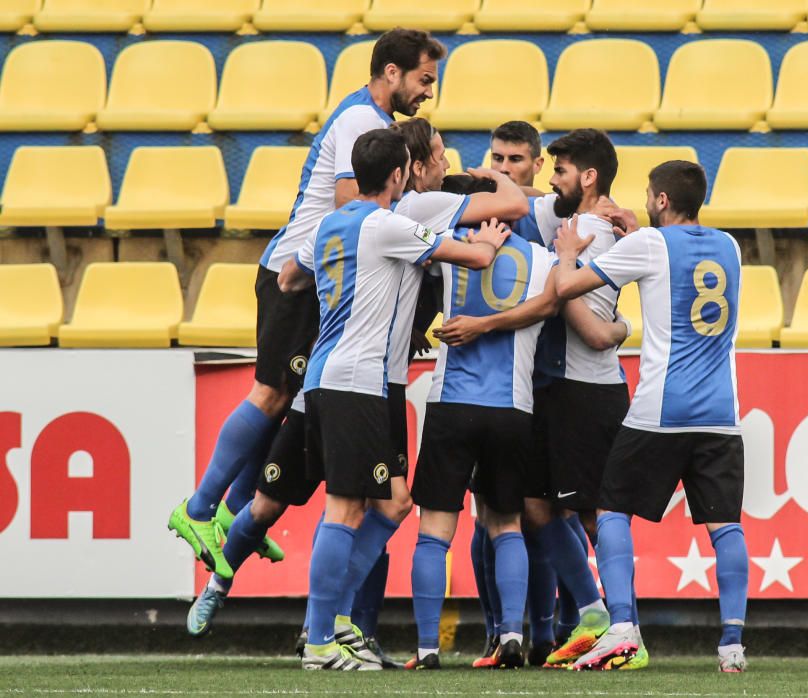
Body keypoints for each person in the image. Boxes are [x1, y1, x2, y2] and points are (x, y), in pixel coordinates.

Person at [179, 28, 446, 649]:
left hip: (365, 374)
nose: (428, 93)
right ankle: (206, 524)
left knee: (376, 504)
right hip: (332, 353)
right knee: (277, 413)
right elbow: (348, 213)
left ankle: (329, 625)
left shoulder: (404, 194)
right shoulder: (369, 148)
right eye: (425, 80)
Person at [277, 129, 509, 671]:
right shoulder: (387, 226)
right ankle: (319, 641)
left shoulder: (329, 225)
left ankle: (330, 622)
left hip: (330, 376)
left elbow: (289, 279)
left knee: (392, 504)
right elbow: (472, 257)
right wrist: (492, 243)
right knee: (347, 506)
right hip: (356, 379)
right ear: (400, 175)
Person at [439, 129, 631, 669]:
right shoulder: (539, 217)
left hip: (571, 388)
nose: (511, 168)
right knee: (522, 510)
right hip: (532, 388)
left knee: (583, 514)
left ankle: (608, 623)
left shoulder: (574, 225)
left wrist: (488, 323)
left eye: (520, 161)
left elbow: (573, 313)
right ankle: (553, 625)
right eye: (497, 159)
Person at [552, 160, 749, 672]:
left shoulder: (646, 245)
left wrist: (567, 255)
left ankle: (621, 628)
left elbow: (569, 289)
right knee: (726, 527)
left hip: (661, 408)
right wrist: (642, 239)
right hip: (722, 412)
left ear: (661, 200)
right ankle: (731, 646)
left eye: (647, 194)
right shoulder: (731, 247)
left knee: (612, 508)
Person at [405, 212, 559, 671]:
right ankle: (512, 635)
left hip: (451, 402)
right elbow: (559, 303)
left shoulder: (452, 244)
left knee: (434, 534)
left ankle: (427, 648)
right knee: (506, 525)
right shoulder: (542, 257)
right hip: (512, 406)